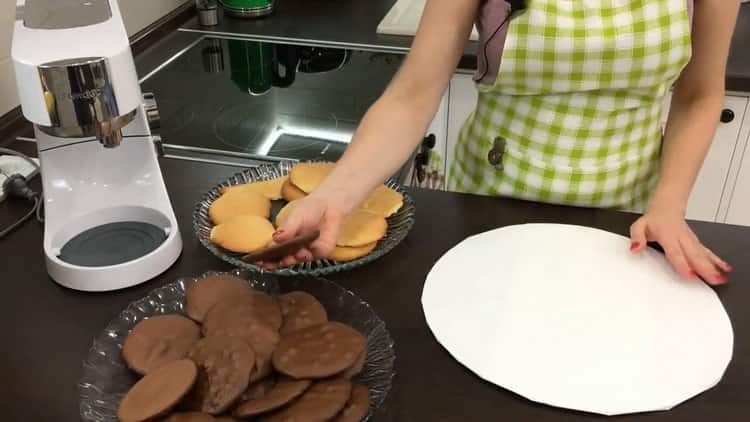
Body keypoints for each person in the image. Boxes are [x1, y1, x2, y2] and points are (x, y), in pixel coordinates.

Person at [266, 0, 739, 284]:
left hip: (624, 217)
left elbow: (700, 95)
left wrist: (670, 205)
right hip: (486, 205)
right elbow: (412, 95)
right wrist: (336, 193)